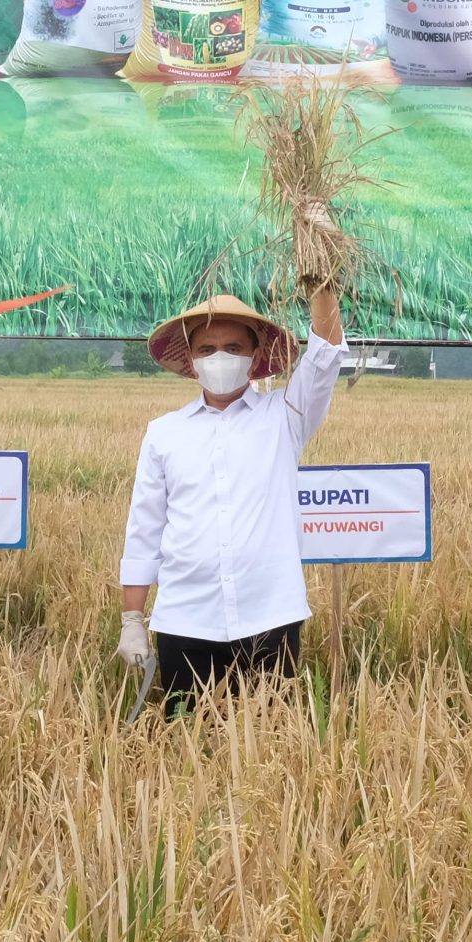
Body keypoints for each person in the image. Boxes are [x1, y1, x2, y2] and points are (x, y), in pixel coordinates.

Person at [115, 283, 345, 715]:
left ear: (255, 357)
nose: (219, 357)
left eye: (233, 347)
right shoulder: (164, 433)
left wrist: (322, 283)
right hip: (185, 620)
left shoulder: (286, 417)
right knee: (187, 750)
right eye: (207, 349)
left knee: (272, 751)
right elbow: (144, 529)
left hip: (270, 618)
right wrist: (132, 619)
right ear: (192, 362)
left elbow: (326, 355)